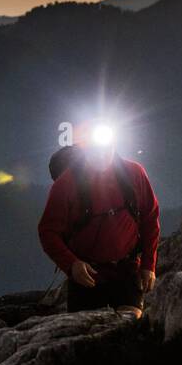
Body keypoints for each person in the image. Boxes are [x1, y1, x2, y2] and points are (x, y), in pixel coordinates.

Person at [38, 122, 160, 316]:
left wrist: (148, 265)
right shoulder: (65, 184)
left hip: (127, 271)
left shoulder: (134, 173)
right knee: (86, 339)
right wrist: (72, 264)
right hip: (86, 277)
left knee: (127, 327)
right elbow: (48, 231)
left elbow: (150, 219)